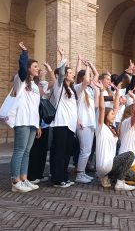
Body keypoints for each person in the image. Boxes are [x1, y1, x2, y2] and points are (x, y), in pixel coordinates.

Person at [10, 42, 41, 193]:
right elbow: (22, 68)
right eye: (35, 66)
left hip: (32, 122)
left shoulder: (34, 86)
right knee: (19, 150)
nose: (38, 69)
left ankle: (23, 178)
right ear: (28, 68)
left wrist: (38, 124)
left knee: (27, 151)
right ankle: (15, 181)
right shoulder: (20, 80)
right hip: (22, 121)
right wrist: (25, 53)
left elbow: (35, 106)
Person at [94, 80, 135, 190]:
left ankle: (106, 177)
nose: (114, 115)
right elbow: (102, 108)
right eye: (111, 114)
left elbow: (116, 108)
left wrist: (117, 93)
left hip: (109, 165)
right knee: (130, 155)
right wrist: (102, 91)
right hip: (104, 165)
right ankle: (119, 184)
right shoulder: (101, 127)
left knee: (132, 175)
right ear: (105, 116)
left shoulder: (112, 128)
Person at [50, 48, 78, 188]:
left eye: (73, 72)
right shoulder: (59, 86)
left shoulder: (72, 89)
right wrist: (63, 57)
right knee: (59, 153)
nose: (73, 75)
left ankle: (64, 177)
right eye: (71, 73)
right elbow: (60, 73)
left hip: (71, 126)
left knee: (67, 153)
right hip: (61, 124)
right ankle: (57, 179)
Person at [75, 57, 99, 184]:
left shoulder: (89, 89)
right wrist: (86, 67)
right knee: (85, 150)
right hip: (82, 123)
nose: (90, 79)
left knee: (88, 150)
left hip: (90, 122)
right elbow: (86, 79)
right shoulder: (79, 88)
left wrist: (90, 63)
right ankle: (79, 174)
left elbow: (96, 75)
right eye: (87, 77)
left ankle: (82, 172)